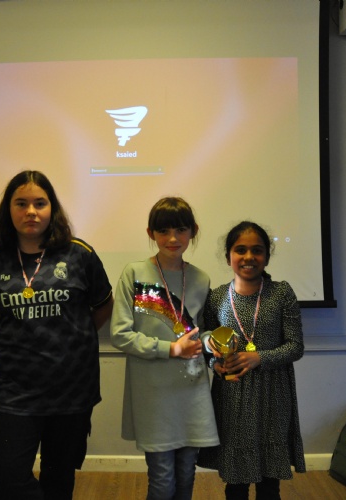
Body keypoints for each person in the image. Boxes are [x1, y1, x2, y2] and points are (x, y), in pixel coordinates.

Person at [0, 170, 113, 500]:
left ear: (52, 208)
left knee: (58, 478)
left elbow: (103, 306)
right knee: (6, 475)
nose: (31, 211)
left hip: (72, 390)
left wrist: (76, 338)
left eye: (40, 203)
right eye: (21, 203)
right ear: (8, 210)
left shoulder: (79, 254)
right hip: (16, 391)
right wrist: (9, 345)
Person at [110, 197, 219, 500]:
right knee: (162, 481)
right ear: (151, 233)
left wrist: (213, 343)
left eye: (181, 230)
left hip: (192, 391)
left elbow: (200, 331)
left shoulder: (200, 278)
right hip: (153, 395)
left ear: (193, 231)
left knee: (186, 475)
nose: (173, 238)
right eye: (164, 231)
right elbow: (120, 334)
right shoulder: (134, 273)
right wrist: (171, 349)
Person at [198, 221, 306, 499]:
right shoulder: (217, 297)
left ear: (267, 257)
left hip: (273, 395)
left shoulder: (281, 293)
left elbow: (295, 347)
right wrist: (215, 365)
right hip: (232, 398)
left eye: (257, 250)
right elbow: (208, 348)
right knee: (236, 482)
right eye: (240, 250)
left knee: (270, 484)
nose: (249, 257)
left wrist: (259, 358)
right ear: (228, 257)